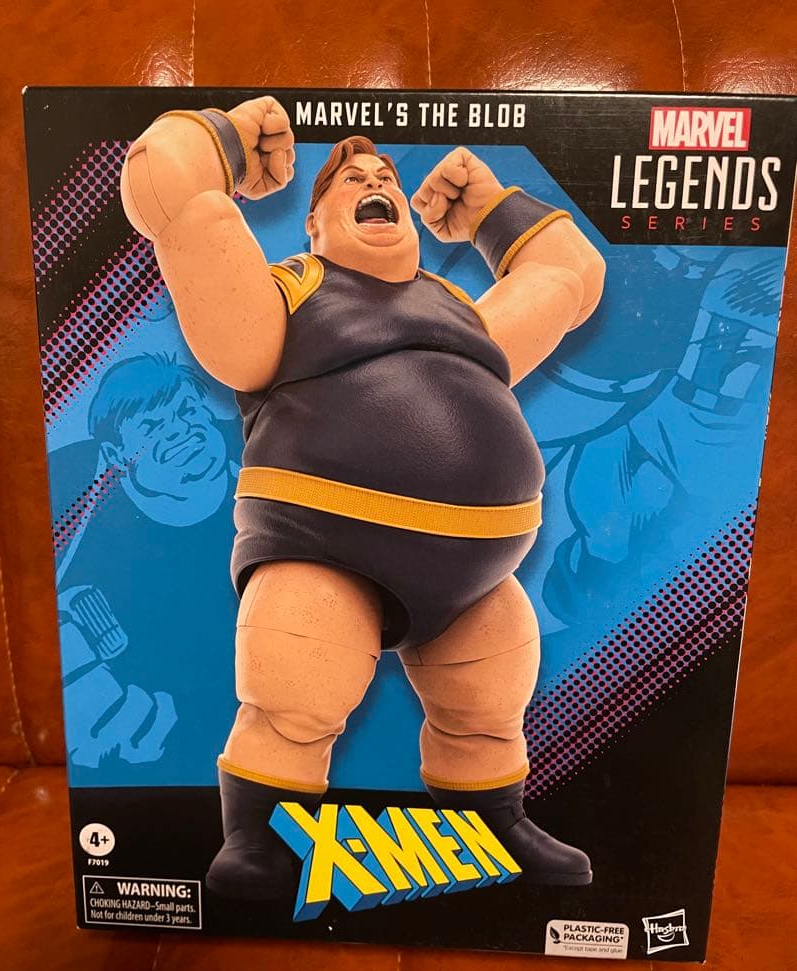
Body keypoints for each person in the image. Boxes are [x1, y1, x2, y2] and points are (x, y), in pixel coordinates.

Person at [120, 97, 606, 900]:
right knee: (295, 695)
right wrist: (229, 138)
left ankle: (494, 823)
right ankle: (258, 839)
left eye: (385, 176)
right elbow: (169, 189)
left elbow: (569, 277)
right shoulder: (293, 290)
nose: (377, 182)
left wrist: (492, 211)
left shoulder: (458, 311)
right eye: (352, 180)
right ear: (313, 225)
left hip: (477, 576)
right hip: (322, 549)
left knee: (487, 706)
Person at [53, 353, 239, 772]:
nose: (181, 431)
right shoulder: (68, 497)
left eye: (187, 410)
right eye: (152, 427)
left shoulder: (267, 463)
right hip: (142, 761)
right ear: (116, 455)